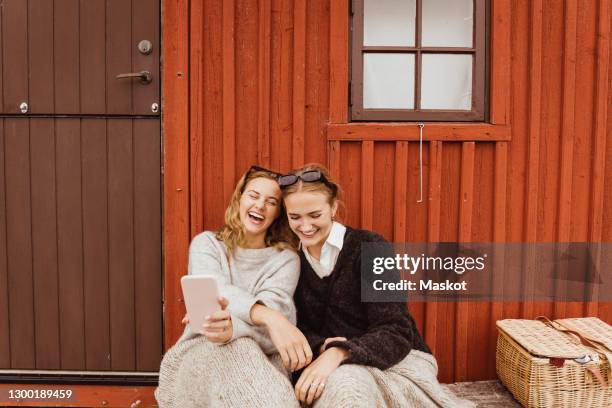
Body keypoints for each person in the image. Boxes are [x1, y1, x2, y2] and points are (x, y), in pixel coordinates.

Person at [278, 164, 475, 408]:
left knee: (347, 391)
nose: (305, 226)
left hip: (396, 357)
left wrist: (340, 352)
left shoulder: (369, 247)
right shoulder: (288, 258)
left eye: (315, 215)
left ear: (333, 208)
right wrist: (322, 346)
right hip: (328, 363)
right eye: (295, 217)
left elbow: (396, 329)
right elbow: (297, 326)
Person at [155, 166, 311, 408]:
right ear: (239, 199)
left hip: (264, 362)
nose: (260, 206)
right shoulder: (207, 245)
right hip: (203, 348)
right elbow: (217, 289)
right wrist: (269, 316)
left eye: (271, 202)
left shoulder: (286, 259)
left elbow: (273, 340)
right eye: (253, 195)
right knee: (239, 352)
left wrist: (233, 329)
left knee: (244, 351)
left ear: (277, 214)